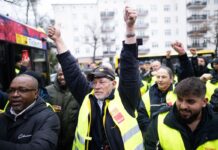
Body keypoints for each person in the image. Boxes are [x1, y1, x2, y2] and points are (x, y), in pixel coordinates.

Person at [48, 6, 144, 150]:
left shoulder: (126, 97)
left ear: (113, 83)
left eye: (102, 82)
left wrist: (130, 27)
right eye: (94, 81)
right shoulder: (88, 96)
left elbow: (129, 65)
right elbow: (72, 71)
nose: (96, 86)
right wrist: (58, 40)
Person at [144, 77, 218, 149]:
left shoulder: (215, 123)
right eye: (179, 99)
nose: (183, 106)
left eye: (190, 101)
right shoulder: (159, 121)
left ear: (204, 102)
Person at [0, 74, 60, 150]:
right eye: (11, 90)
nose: (15, 95)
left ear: (36, 93)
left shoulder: (48, 118)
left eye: (23, 90)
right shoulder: (3, 116)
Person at [46, 64, 80, 150]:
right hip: (53, 138)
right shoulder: (48, 91)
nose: (62, 77)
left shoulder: (78, 90)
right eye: (60, 74)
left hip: (72, 139)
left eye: (65, 74)